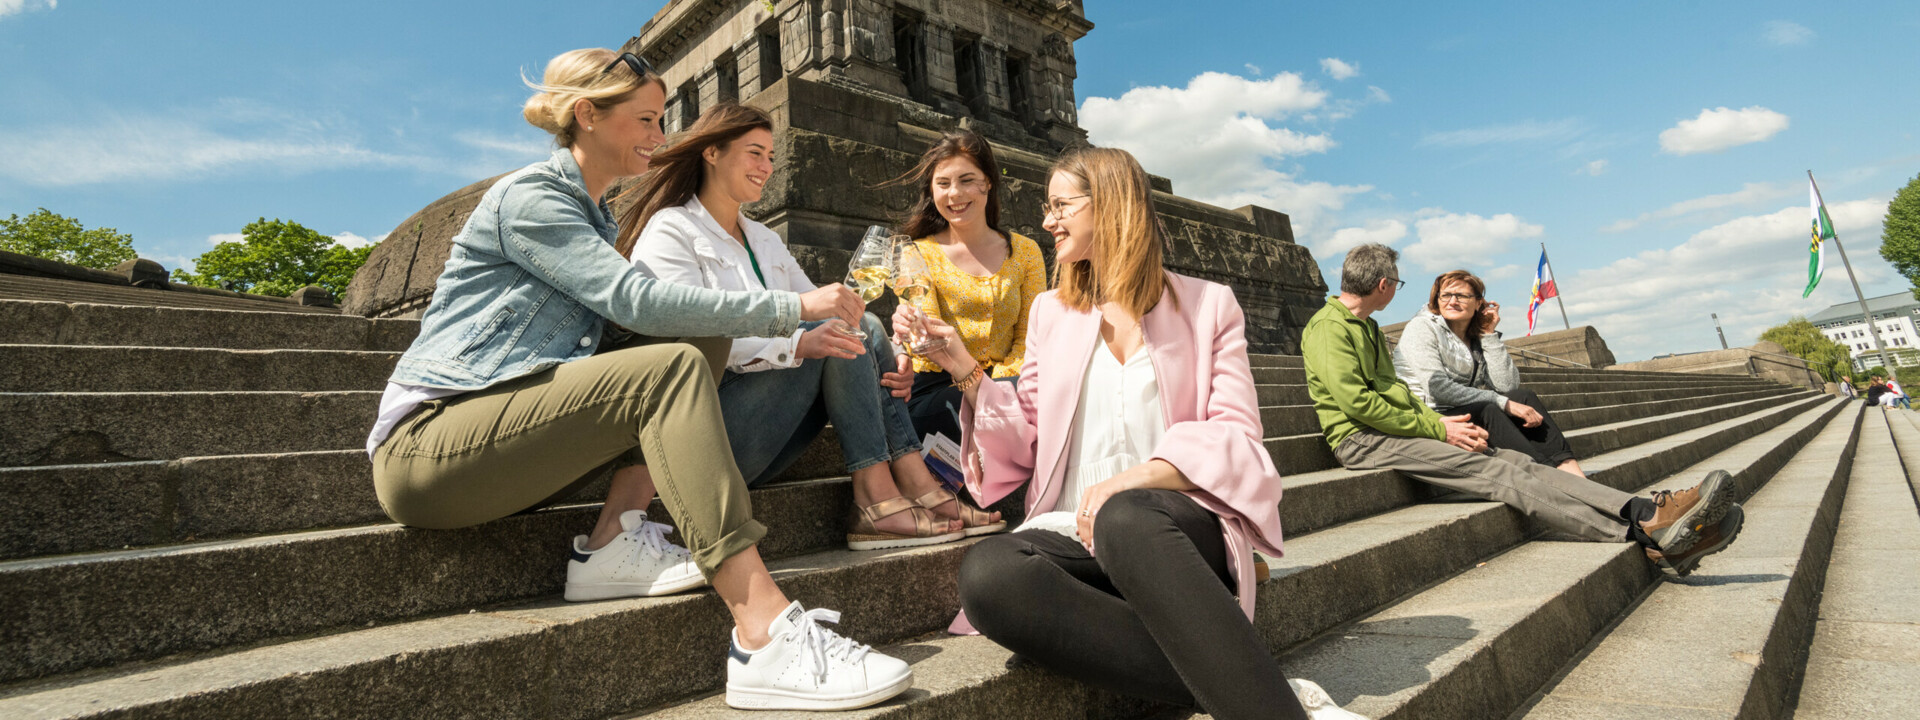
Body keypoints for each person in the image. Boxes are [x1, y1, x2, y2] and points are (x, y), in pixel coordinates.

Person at [366, 50, 909, 711]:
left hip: (512, 442)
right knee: (673, 352)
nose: (660, 136)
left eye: (662, 119)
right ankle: (763, 633)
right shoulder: (530, 198)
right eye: (646, 119)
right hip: (429, 450)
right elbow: (639, 302)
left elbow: (660, 314)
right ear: (587, 115)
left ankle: (612, 541)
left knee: (693, 334)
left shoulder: (596, 219)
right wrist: (794, 308)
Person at [906, 146, 1362, 720]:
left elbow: (1237, 436)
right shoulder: (1051, 311)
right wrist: (961, 365)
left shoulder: (1208, 305)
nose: (1047, 221)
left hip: (1173, 526)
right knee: (989, 575)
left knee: (1128, 516)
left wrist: (1137, 479)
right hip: (1074, 531)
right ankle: (1268, 695)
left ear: (1114, 204)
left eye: (1061, 205)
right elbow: (1025, 444)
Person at [624, 103, 999, 548]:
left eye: (770, 156)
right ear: (711, 152)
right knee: (844, 338)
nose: (767, 167)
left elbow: (829, 310)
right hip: (706, 434)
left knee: (867, 329)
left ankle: (910, 485)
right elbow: (678, 339)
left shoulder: (763, 238)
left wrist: (891, 358)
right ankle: (880, 496)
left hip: (770, 433)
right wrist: (798, 347)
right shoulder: (672, 229)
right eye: (755, 153)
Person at [1302, 243, 1744, 577]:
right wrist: (1439, 429)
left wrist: (1435, 423)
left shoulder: (1369, 326)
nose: (1396, 290)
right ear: (1383, 285)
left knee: (1514, 459)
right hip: (1362, 441)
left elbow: (1394, 392)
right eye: (1396, 283)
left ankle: (1646, 512)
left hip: (1399, 429)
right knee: (1504, 474)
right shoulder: (1328, 328)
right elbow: (1357, 404)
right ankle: (1647, 531)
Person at [886, 131, 1048, 451]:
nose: (954, 193)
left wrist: (997, 388)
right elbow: (929, 339)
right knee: (974, 412)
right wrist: (981, 389)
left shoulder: (1026, 252)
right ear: (932, 192)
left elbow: (1031, 338)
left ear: (988, 182)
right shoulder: (915, 254)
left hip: (1007, 384)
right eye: (943, 184)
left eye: (966, 180)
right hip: (937, 391)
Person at [1393, 270, 1585, 476]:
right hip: (1430, 413)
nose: (1453, 301)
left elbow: (1507, 386)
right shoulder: (1421, 327)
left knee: (1524, 397)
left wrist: (1488, 335)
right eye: (1446, 295)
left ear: (1478, 304)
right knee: (1490, 408)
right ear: (1437, 300)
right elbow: (1438, 388)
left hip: (1463, 407)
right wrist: (1502, 402)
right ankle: (1544, 475)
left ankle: (1573, 473)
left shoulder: (1475, 337)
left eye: (1462, 296)